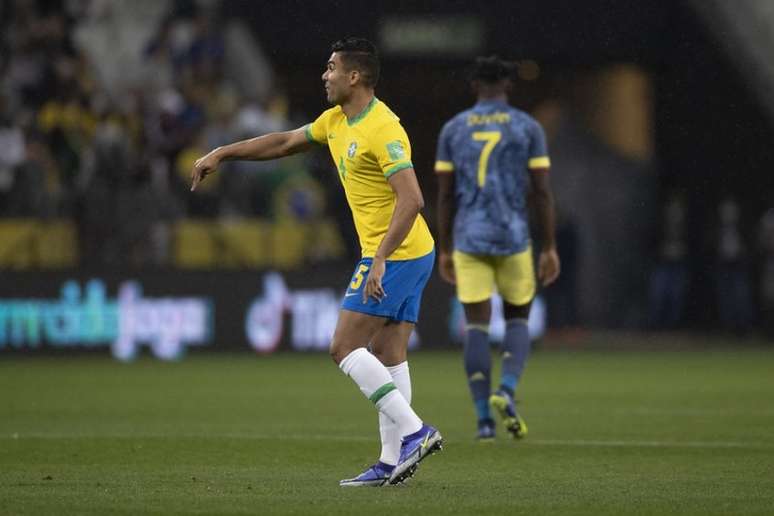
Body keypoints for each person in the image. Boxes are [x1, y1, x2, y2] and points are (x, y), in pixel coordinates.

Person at [191, 37, 441, 486]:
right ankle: (391, 461)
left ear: (355, 77)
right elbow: (285, 142)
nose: (324, 76)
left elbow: (413, 199)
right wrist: (223, 153)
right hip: (409, 251)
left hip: (398, 251)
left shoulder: (383, 128)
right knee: (388, 353)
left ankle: (415, 431)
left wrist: (381, 258)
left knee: (343, 347)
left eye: (331, 68)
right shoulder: (336, 121)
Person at [435, 56, 560, 441]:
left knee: (475, 325)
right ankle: (505, 390)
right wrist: (549, 246)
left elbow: (444, 196)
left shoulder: (453, 129)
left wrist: (446, 248)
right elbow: (540, 191)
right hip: (513, 235)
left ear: (475, 86)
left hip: (469, 237)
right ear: (509, 86)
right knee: (518, 318)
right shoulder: (527, 127)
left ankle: (483, 423)